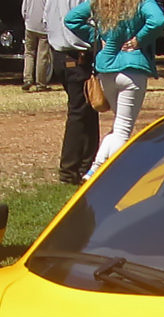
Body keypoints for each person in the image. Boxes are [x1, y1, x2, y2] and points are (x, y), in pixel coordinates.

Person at [65, 0, 164, 177]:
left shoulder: (100, 1)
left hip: (106, 69)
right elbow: (158, 20)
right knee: (123, 130)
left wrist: (96, 38)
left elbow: (71, 19)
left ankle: (95, 169)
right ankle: (105, 174)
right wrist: (139, 40)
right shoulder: (142, 2)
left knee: (119, 126)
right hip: (132, 68)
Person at [45, 0, 100, 184]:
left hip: (62, 55)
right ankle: (69, 170)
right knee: (79, 112)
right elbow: (79, 22)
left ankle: (86, 165)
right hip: (76, 55)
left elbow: (44, 22)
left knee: (88, 110)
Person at [22, 0, 53, 92]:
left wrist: (26, 20)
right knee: (42, 56)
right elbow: (49, 9)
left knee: (29, 53)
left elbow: (24, 8)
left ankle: (27, 79)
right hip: (43, 27)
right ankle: (41, 83)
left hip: (30, 25)